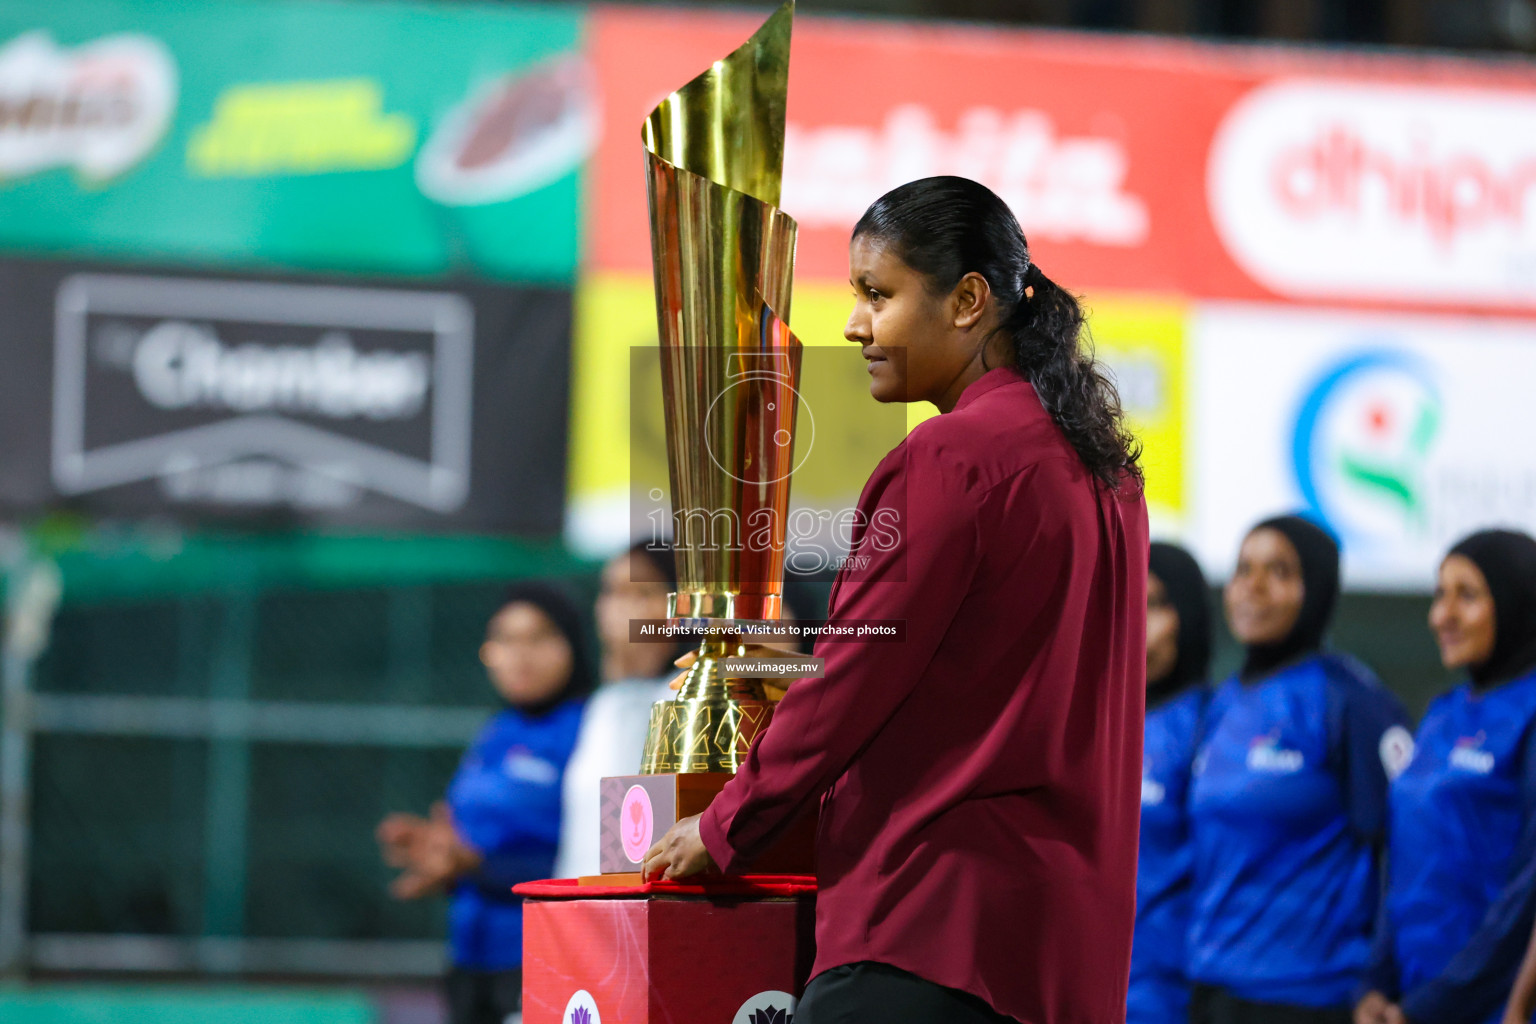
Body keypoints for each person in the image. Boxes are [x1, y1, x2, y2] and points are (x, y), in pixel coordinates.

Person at [640, 175, 1149, 1024]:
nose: (853, 325)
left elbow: (851, 683)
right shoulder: (1107, 475)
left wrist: (727, 824)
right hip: (1066, 957)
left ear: (968, 301)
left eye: (877, 294)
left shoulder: (947, 457)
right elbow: (977, 667)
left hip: (926, 930)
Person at [1186, 515, 1410, 1024]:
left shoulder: (1352, 702)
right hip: (1211, 991)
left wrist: (1379, 980)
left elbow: (1406, 851)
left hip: (1311, 998)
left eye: (1279, 571)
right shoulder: (1222, 704)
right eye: (1244, 569)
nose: (1254, 587)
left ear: (1316, 588)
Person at [377, 581, 591, 1024]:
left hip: (540, 957)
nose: (520, 654)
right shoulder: (495, 733)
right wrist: (439, 856)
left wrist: (479, 864)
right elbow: (468, 842)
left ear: (570, 644)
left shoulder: (591, 729)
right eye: (505, 639)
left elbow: (591, 857)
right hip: (468, 961)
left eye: (537, 637)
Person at [1358, 530, 1536, 1024]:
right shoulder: (1442, 713)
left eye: (1468, 595)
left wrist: (1433, 1006)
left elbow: (1527, 893)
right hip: (1410, 1002)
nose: (1443, 615)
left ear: (1516, 601)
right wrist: (1376, 983)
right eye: (1439, 594)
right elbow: (1405, 860)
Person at [552, 540, 684, 879]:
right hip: (577, 912)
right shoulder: (603, 705)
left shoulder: (685, 700)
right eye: (610, 591)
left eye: (638, 591)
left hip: (635, 915)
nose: (616, 608)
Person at [1130, 542, 1213, 1024]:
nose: (1136, 619)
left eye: (1155, 603)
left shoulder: (1213, 725)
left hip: (1170, 1001)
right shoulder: (1086, 724)